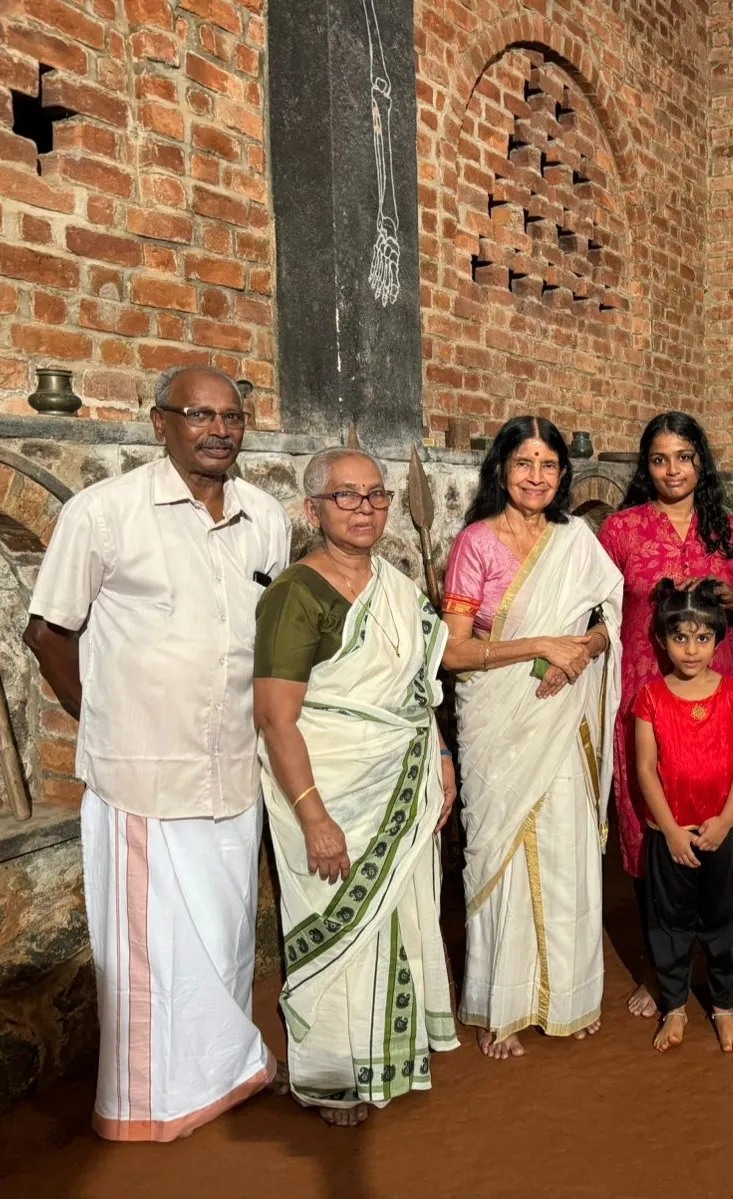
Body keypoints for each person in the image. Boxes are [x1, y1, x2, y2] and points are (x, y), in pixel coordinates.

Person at [23, 365, 291, 1141]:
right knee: (149, 951)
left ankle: (226, 1071)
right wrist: (103, 714)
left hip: (234, 767)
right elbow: (49, 632)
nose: (218, 430)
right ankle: (146, 1105)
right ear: (158, 422)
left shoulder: (264, 516)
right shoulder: (104, 513)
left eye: (232, 417)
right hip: (142, 770)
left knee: (225, 934)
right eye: (199, 415)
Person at [253, 448, 459, 1127]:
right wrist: (314, 817)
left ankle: (387, 1057)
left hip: (396, 778)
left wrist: (442, 755)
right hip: (328, 787)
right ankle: (331, 1076)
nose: (365, 507)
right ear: (313, 509)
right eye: (346, 496)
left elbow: (419, 684)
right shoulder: (295, 594)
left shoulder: (394, 586)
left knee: (393, 917)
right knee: (333, 928)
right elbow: (276, 717)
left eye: (375, 495)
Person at [441, 416, 623, 1060]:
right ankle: (502, 1003)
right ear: (501, 470)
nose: (537, 477)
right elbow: (455, 653)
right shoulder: (476, 543)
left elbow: (608, 615)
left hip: (564, 720)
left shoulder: (577, 539)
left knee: (568, 853)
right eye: (525, 464)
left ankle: (567, 994)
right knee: (499, 853)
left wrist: (584, 650)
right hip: (501, 721)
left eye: (549, 466)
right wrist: (541, 644)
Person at [597, 412, 733, 1020]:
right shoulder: (621, 530)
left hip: (717, 697)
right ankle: (664, 970)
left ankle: (720, 974)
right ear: (646, 465)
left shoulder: (732, 531)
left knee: (719, 823)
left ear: (700, 462)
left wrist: (731, 600)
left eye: (684, 456)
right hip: (643, 695)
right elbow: (593, 606)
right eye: (660, 458)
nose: (673, 470)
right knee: (649, 831)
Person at [633, 580, 733, 1054]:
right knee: (670, 923)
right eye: (680, 637)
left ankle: (723, 1006)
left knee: (725, 920)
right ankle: (675, 1007)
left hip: (725, 830)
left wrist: (726, 820)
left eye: (702, 638)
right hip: (671, 835)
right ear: (663, 641)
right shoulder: (650, 697)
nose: (691, 649)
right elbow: (646, 768)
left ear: (718, 641)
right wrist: (669, 831)